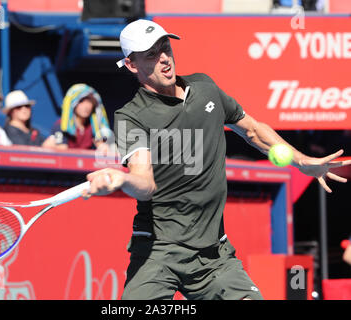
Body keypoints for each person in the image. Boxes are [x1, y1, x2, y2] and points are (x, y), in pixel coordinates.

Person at [81, 19, 351, 300]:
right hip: (158, 252)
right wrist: (122, 178)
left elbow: (253, 131)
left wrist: (302, 161)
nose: (164, 57)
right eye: (151, 54)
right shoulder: (131, 116)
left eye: (165, 48)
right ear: (131, 65)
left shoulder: (205, 88)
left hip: (214, 255)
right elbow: (144, 182)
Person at [50, 83, 113, 152]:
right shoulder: (61, 125)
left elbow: (104, 147)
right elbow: (61, 150)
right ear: (73, 104)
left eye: (90, 102)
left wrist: (103, 146)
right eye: (81, 101)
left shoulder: (94, 127)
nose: (86, 106)